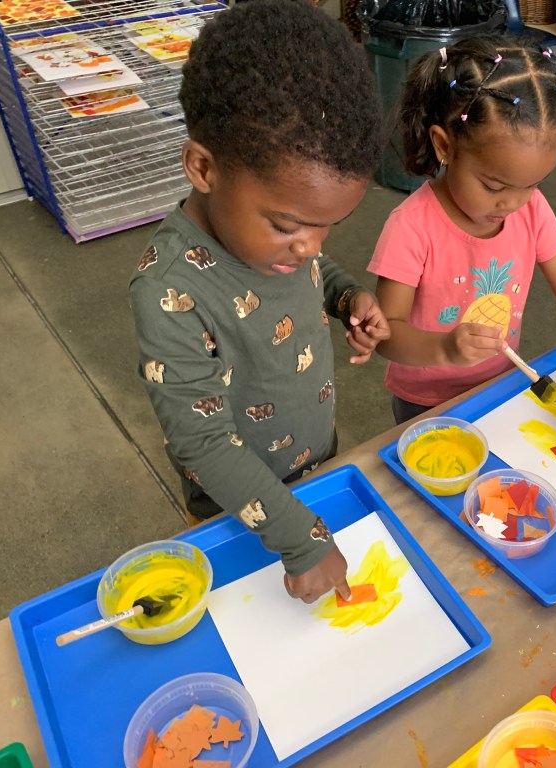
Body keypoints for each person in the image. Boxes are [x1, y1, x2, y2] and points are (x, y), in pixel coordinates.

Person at [129, 0, 389, 604]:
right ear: (203, 168)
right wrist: (301, 541)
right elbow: (201, 442)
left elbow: (311, 269)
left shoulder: (284, 245)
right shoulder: (169, 289)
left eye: (328, 227)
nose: (310, 245)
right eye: (288, 225)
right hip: (234, 509)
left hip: (316, 463)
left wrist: (345, 295)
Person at [368, 36, 556, 438]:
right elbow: (386, 334)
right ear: (444, 146)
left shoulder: (531, 209)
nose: (513, 203)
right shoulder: (412, 226)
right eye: (494, 186)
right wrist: (445, 349)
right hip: (426, 401)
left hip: (500, 386)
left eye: (533, 184)